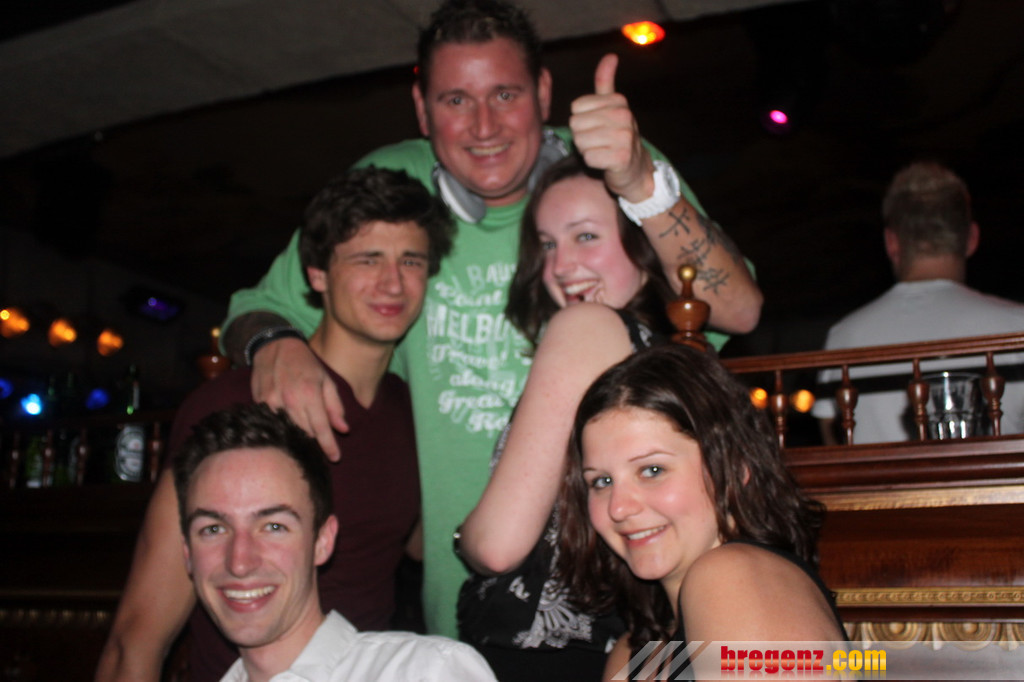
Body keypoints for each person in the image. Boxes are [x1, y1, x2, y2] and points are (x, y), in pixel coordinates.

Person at [220, 0, 763, 639]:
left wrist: (641, 180)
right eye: (456, 100)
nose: (484, 126)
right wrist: (275, 341)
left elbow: (738, 309)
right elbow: (253, 309)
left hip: (613, 595)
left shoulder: (607, 172)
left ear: (543, 93)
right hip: (462, 613)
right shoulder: (390, 185)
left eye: (505, 94)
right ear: (422, 109)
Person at [96, 167, 454, 682]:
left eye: (411, 261)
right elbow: (136, 638)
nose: (393, 283)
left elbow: (420, 542)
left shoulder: (411, 411)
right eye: (367, 259)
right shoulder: (236, 401)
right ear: (317, 274)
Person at [454, 154, 680, 680]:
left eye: (586, 236)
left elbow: (497, 546)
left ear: (643, 247)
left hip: (542, 658)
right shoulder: (662, 358)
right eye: (548, 244)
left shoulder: (586, 326)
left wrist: (463, 537)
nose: (559, 266)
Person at [557, 345, 846, 681]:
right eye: (602, 481)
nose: (618, 508)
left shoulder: (732, 576)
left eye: (652, 470)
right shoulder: (635, 652)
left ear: (735, 469)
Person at [173, 403, 498, 681]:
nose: (240, 561)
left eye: (273, 526)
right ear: (187, 553)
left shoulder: (425, 672)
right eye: (213, 529)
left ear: (323, 541)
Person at [813, 161, 1024, 444]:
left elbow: (833, 444)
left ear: (892, 243)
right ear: (972, 238)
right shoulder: (1017, 326)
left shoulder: (844, 337)